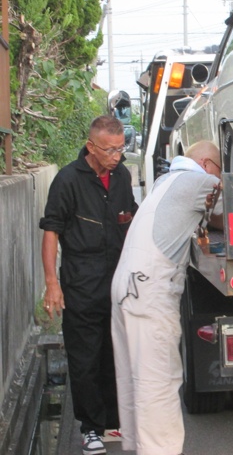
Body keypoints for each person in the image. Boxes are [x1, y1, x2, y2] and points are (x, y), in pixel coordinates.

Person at [110, 140, 233, 455]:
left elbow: (213, 218)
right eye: (219, 173)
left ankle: (140, 447)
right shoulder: (201, 180)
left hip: (125, 285)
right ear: (209, 165)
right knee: (160, 381)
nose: (218, 180)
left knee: (135, 379)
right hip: (150, 289)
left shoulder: (165, 182)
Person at [40, 115, 138, 455]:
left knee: (115, 354)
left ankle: (113, 421)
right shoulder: (68, 180)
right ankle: (90, 428)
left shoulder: (122, 176)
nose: (116, 156)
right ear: (91, 147)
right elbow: (51, 230)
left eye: (120, 148)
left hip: (118, 284)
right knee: (85, 357)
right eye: (110, 150)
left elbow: (132, 219)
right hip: (81, 283)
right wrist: (52, 283)